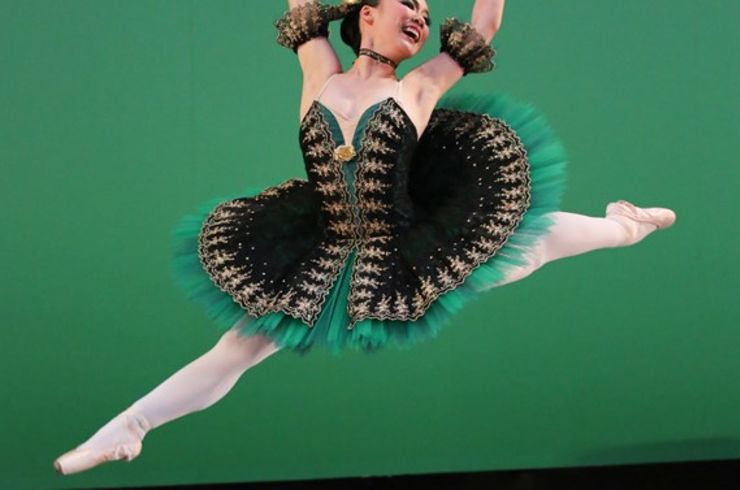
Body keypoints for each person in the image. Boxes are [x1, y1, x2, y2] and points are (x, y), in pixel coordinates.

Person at [53, 0, 676, 475]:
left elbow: (484, 24)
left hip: (401, 246)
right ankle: (130, 426)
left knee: (529, 243)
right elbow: (302, 6)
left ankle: (624, 225)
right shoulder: (317, 69)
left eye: (426, 12)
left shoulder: (417, 87)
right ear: (367, 14)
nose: (422, 17)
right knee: (238, 347)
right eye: (409, 4)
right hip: (324, 246)